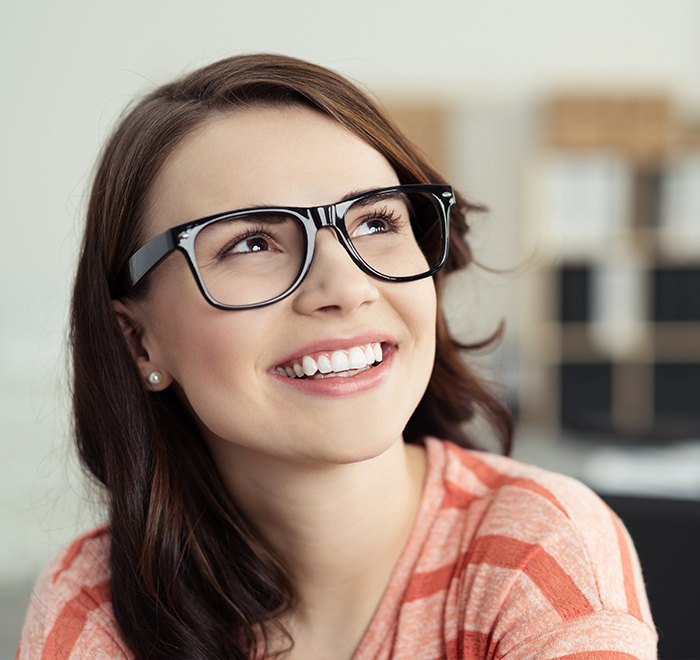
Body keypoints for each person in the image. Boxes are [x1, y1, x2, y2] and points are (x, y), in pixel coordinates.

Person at [17, 53, 657, 659]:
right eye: (251, 243)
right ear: (138, 341)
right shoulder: (93, 595)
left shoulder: (538, 550)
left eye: (376, 222)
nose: (347, 287)